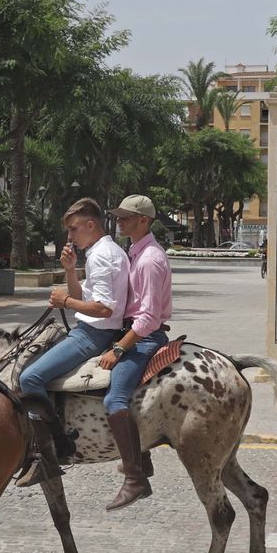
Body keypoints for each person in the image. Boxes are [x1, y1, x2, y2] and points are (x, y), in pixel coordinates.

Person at [16, 198, 129, 486]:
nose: (69, 236)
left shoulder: (101, 256)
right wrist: (69, 270)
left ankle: (51, 451)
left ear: (90, 225)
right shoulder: (106, 251)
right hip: (93, 330)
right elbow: (85, 297)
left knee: (30, 378)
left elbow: (104, 308)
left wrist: (64, 301)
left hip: (93, 334)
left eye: (73, 229)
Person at [100, 194, 173, 511]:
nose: (120, 221)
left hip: (144, 337)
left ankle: (135, 477)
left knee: (114, 399)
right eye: (118, 216)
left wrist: (119, 348)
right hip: (130, 330)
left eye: (126, 217)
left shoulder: (149, 260)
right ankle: (142, 456)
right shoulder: (135, 251)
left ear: (144, 220)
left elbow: (149, 317)